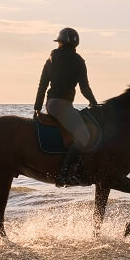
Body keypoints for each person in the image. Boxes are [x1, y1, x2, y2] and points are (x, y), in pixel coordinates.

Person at [34, 27, 98, 186]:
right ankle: (64, 174)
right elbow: (84, 88)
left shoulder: (50, 59)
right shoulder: (78, 61)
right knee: (84, 136)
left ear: (60, 42)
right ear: (75, 45)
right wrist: (93, 102)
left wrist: (37, 108)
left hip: (51, 104)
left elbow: (42, 86)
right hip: (64, 106)